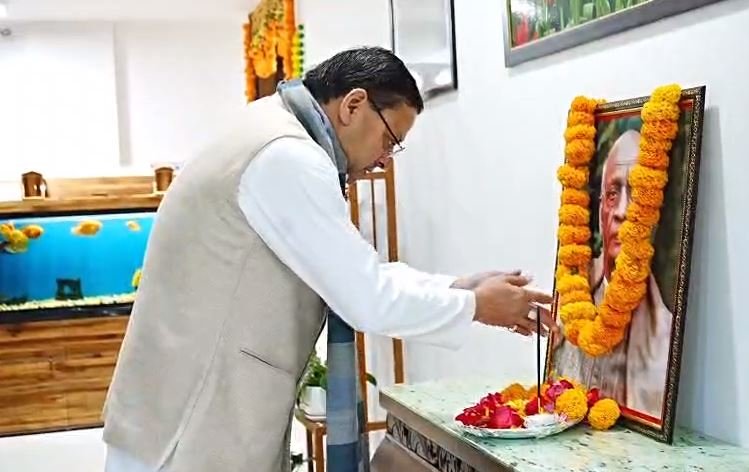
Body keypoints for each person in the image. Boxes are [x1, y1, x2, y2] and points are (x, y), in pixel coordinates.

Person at [101, 47, 554, 472]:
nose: (384, 161)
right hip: (193, 422)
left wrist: (457, 287)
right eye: (389, 140)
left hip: (180, 409)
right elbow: (366, 298)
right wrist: (476, 306)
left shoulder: (271, 127)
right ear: (353, 105)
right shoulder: (288, 157)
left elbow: (354, 272)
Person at [551, 130, 672, 420]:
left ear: (653, 215)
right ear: (600, 207)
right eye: (613, 194)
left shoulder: (665, 336)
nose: (622, 211)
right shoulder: (568, 297)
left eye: (638, 196)